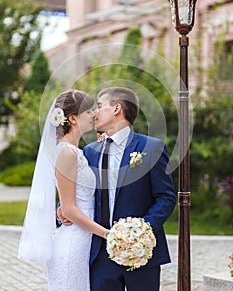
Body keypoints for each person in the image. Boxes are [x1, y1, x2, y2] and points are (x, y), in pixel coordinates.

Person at [59, 86, 176, 291]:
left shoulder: (151, 147)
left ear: (116, 109)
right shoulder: (90, 151)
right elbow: (80, 189)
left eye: (100, 106)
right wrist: (62, 208)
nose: (94, 112)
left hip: (142, 253)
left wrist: (140, 232)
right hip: (100, 254)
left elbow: (165, 197)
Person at [18, 89, 109, 291]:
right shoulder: (67, 154)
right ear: (73, 119)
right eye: (88, 111)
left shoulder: (76, 152)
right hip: (72, 245)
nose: (94, 114)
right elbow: (69, 209)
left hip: (83, 241)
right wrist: (107, 234)